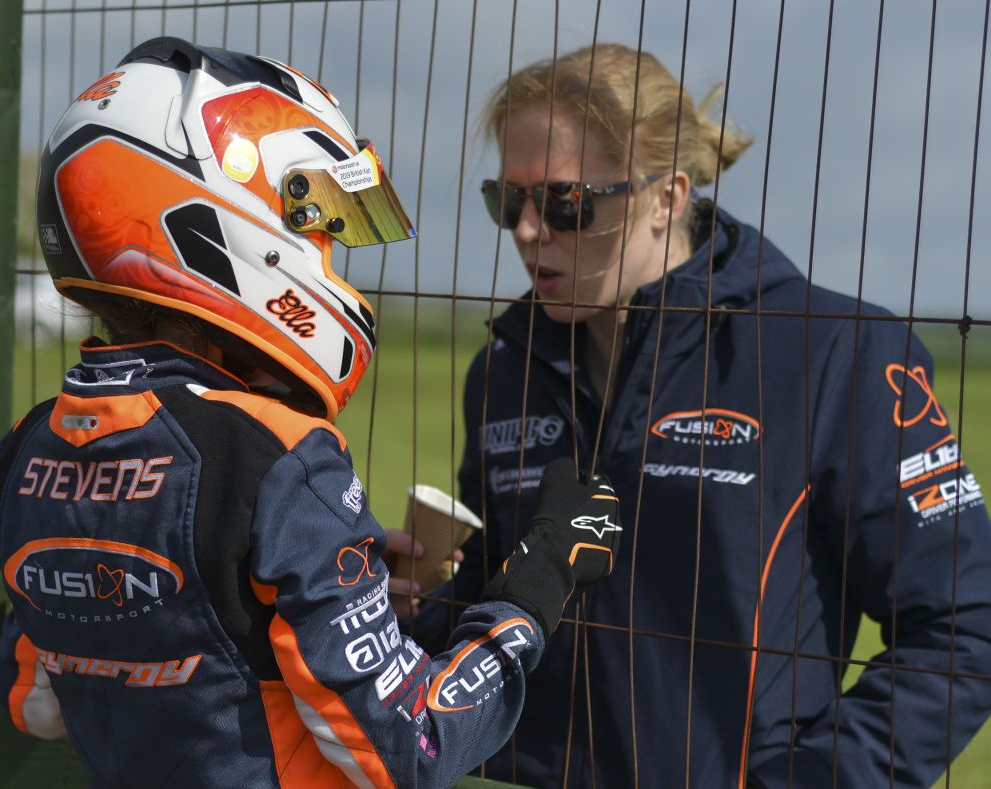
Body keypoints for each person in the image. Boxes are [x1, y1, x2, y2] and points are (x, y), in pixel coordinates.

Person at [0, 37, 624, 788]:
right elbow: (413, 742)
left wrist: (313, 587)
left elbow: (34, 699)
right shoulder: (280, 457)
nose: (328, 254)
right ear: (222, 224)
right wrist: (539, 578)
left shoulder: (24, 452)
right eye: (319, 227)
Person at [412, 43, 991, 788]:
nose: (529, 230)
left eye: (565, 203)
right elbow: (504, 605)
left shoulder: (835, 352)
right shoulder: (502, 370)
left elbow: (963, 630)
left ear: (668, 196)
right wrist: (414, 608)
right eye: (508, 201)